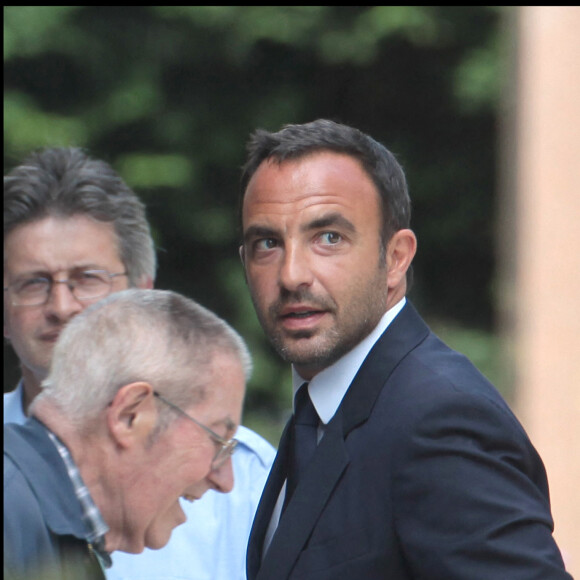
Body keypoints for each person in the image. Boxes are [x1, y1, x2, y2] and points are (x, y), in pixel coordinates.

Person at [238, 119, 572, 579]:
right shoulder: (316, 415)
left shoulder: (439, 418)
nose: (292, 274)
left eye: (328, 238)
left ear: (396, 258)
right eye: (268, 243)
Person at [3, 147, 275, 580]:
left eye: (86, 278)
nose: (60, 305)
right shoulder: (16, 495)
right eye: (33, 282)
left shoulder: (250, 477)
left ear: (143, 297)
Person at [4, 288, 250, 579]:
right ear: (130, 415)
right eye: (218, 439)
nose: (227, 482)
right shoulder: (11, 512)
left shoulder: (58, 532)